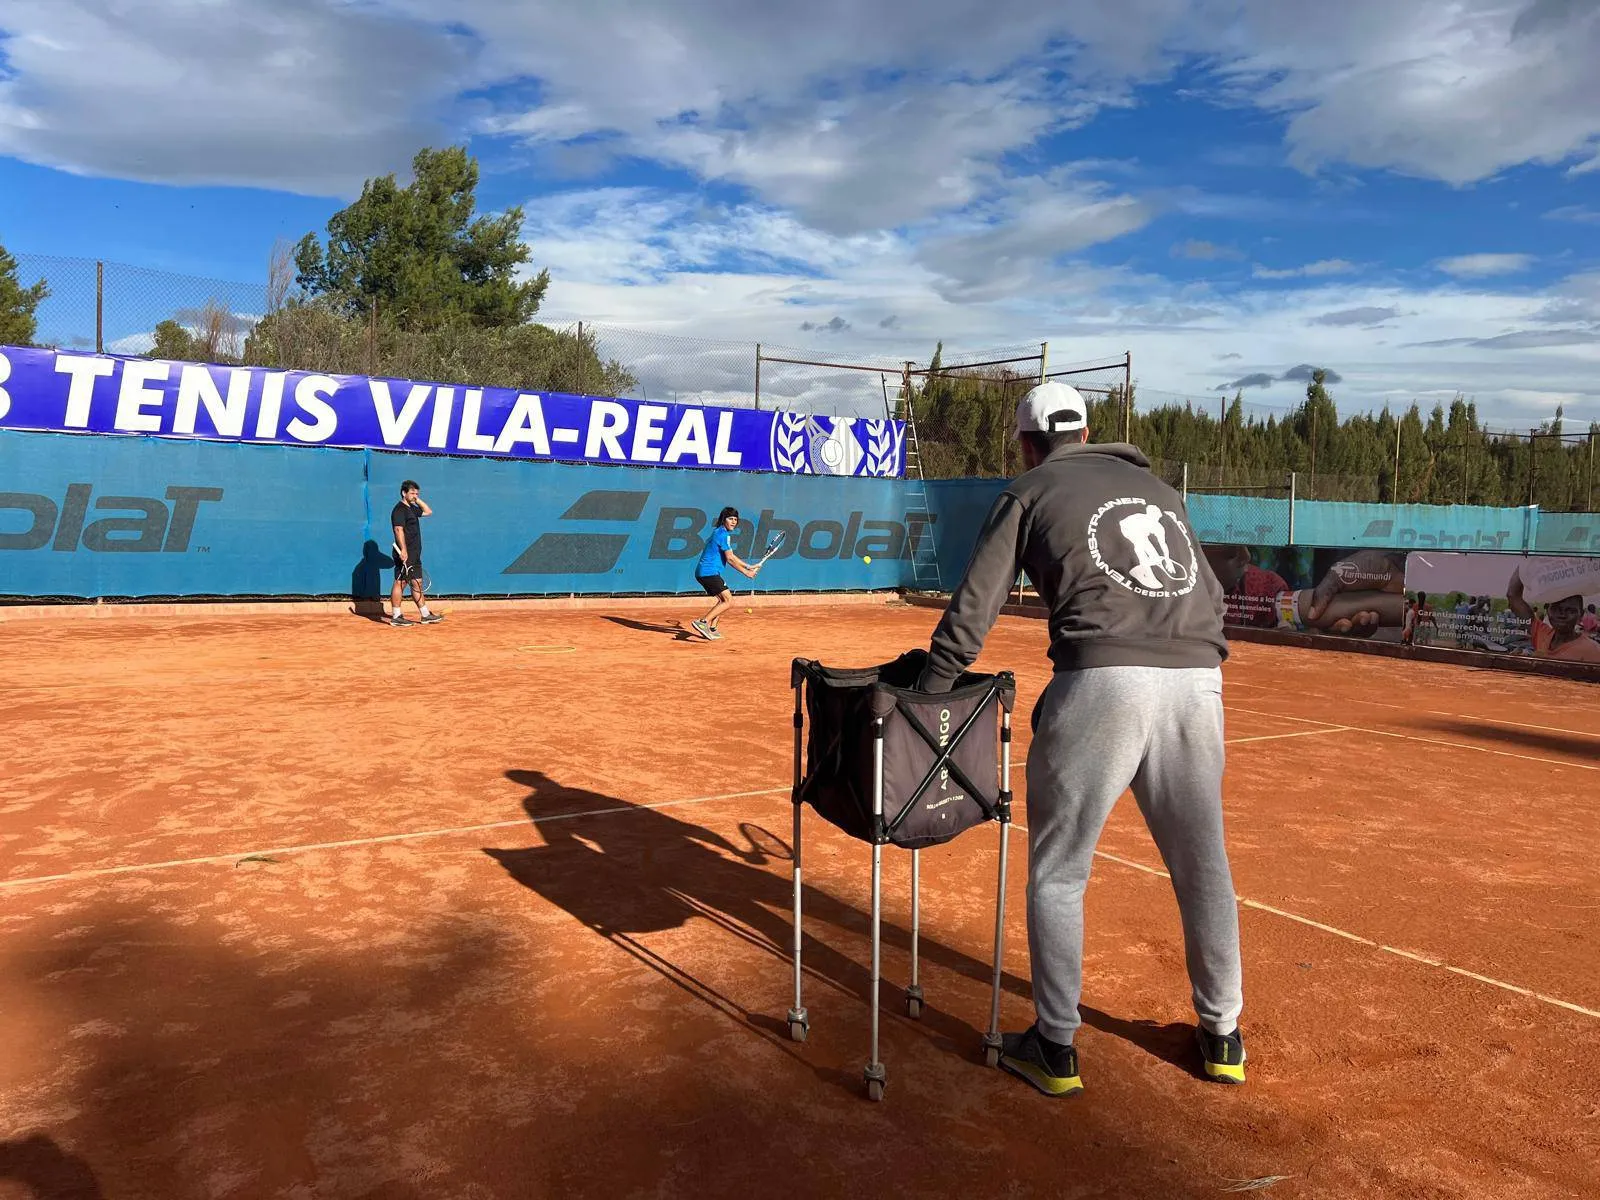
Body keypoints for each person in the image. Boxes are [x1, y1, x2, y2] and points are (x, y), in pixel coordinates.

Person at [914, 380, 1245, 1096]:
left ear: (1029, 443)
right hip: (1198, 679)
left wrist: (932, 688)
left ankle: (1056, 1047)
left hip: (1101, 679)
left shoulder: (1029, 490)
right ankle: (1223, 1036)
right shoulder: (1159, 491)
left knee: (1060, 872)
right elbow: (1211, 595)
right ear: (1089, 432)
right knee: (1203, 865)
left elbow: (977, 605)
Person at [690, 506, 759, 640]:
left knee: (722, 600)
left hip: (704, 572)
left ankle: (712, 628)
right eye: (730, 518)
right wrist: (746, 572)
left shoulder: (719, 533)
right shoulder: (723, 535)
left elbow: (731, 555)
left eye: (735, 519)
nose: (733, 522)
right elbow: (730, 559)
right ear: (723, 520)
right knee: (728, 600)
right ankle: (702, 622)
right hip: (708, 572)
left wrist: (748, 566)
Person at [1506, 567, 1600, 663]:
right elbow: (1512, 595)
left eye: (1570, 610)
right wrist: (1526, 561)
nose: (1562, 615)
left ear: (1581, 615)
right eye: (1556, 609)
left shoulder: (1592, 650)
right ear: (1548, 611)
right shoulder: (1542, 634)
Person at [389, 480, 443, 628]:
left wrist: (416, 499)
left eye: (417, 493)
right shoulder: (399, 510)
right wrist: (403, 550)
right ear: (403, 493)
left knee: (417, 582)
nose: (415, 496)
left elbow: (428, 511)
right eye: (412, 493)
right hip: (405, 552)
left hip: (415, 552)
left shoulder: (412, 508)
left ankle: (425, 615)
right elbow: (398, 530)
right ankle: (396, 616)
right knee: (401, 582)